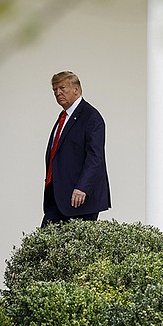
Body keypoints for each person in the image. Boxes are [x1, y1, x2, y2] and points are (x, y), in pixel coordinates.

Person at [41, 71, 111, 227]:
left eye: (62, 88)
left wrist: (82, 188)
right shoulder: (63, 117)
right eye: (55, 90)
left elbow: (95, 157)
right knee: (46, 245)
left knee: (76, 248)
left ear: (76, 90)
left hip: (80, 199)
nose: (58, 93)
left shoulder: (91, 117)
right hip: (58, 197)